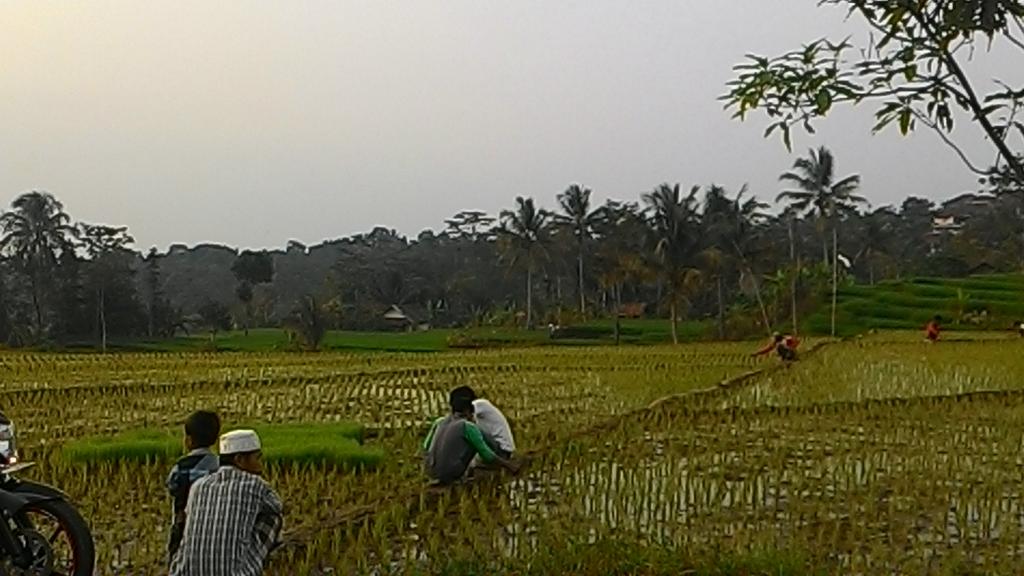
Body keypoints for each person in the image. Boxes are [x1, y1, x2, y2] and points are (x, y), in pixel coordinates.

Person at [170, 429, 283, 576]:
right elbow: (277, 506)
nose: (260, 465)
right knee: (273, 517)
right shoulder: (256, 485)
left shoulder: (198, 485)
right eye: (257, 458)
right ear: (239, 460)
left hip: (185, 572)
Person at [422, 388, 519, 485]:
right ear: (468, 411)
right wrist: (509, 466)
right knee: (473, 439)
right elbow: (487, 455)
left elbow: (426, 447)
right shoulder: (467, 426)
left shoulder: (439, 422)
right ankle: (461, 476)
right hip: (451, 473)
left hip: (430, 471)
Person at [166, 410, 220, 564]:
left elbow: (171, 486)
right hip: (211, 523)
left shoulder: (180, 467)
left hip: (183, 523)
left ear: (188, 440)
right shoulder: (219, 465)